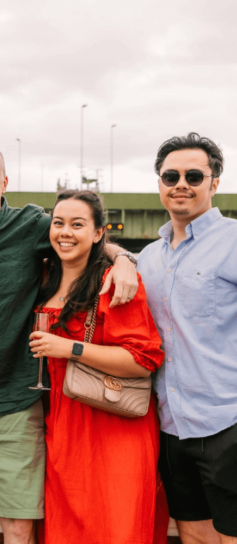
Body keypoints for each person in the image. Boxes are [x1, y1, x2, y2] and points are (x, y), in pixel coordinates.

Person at [0, 143, 139, 544]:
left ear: (5, 183)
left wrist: (124, 260)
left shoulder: (31, 225)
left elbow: (84, 237)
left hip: (13, 401)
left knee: (20, 528)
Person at [29, 189, 168, 544]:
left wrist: (69, 348)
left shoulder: (115, 285)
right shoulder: (41, 278)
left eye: (78, 224)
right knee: (65, 529)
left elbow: (143, 360)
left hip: (113, 427)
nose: (65, 232)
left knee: (115, 526)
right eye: (58, 223)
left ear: (97, 233)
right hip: (61, 426)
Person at [138, 133, 237, 544]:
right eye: (171, 175)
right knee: (193, 534)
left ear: (214, 183)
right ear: (159, 183)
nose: (181, 183)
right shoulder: (147, 258)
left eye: (194, 175)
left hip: (227, 422)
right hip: (171, 425)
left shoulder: (233, 241)